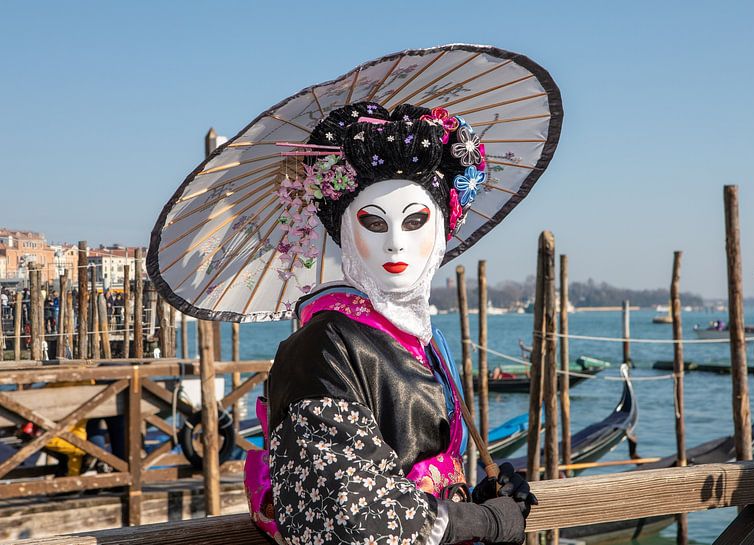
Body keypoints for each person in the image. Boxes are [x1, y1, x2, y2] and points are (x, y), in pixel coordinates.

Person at [147, 45, 562, 545]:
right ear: (345, 232)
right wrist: (484, 522)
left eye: (416, 220)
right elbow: (350, 517)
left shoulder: (425, 340)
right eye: (373, 223)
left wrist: (479, 498)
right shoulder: (320, 348)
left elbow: (415, 474)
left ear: (442, 229)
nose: (396, 243)